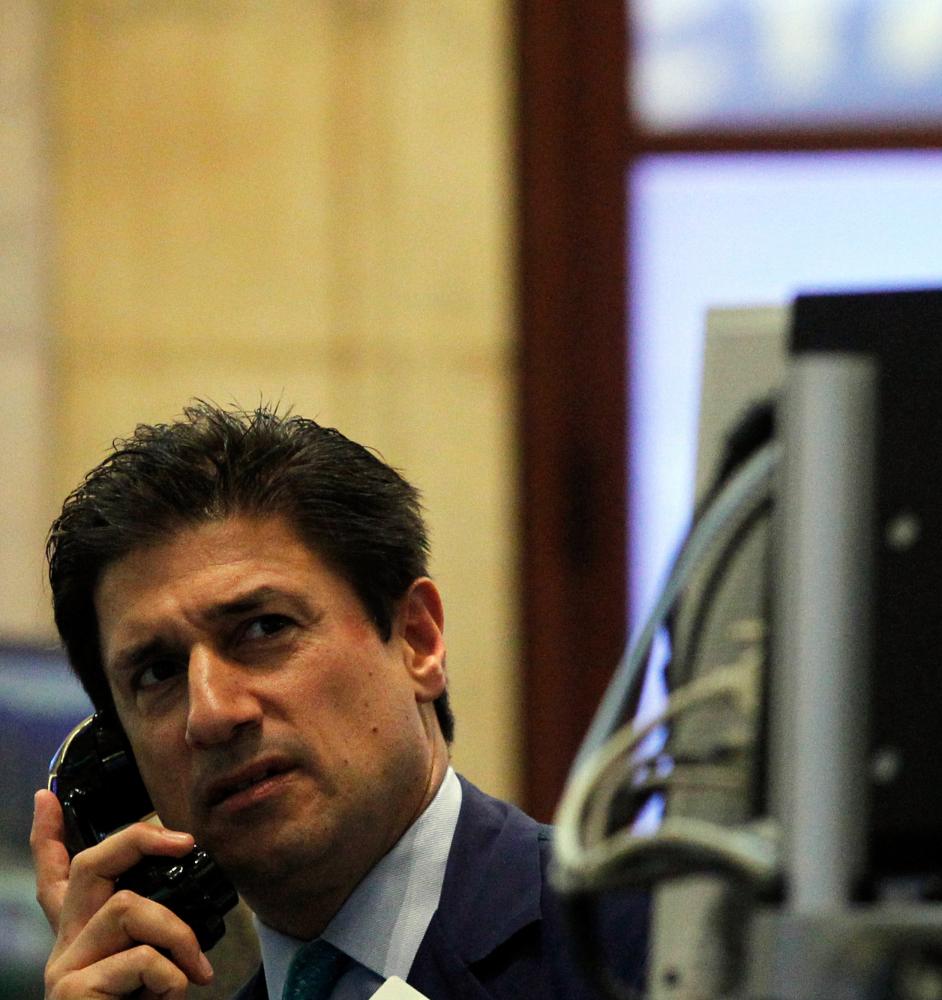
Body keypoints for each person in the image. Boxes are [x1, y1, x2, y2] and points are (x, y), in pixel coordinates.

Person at [30, 402, 644, 1000]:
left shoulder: (645, 940)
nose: (212, 713)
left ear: (417, 641)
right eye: (159, 672)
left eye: (264, 628)